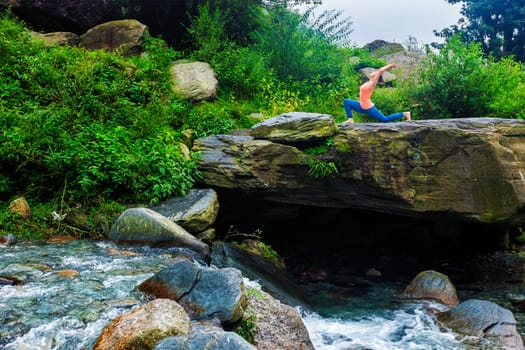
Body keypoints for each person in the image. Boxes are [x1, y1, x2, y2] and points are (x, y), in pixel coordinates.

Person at [343, 63, 411, 124]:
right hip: (361, 106)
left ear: (376, 77)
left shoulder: (373, 83)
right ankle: (350, 119)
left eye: (374, 72)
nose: (372, 72)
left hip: (369, 108)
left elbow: (380, 71)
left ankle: (405, 114)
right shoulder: (368, 82)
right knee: (346, 102)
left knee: (385, 119)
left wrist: (390, 66)